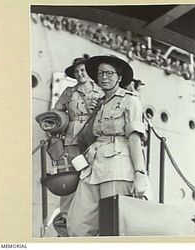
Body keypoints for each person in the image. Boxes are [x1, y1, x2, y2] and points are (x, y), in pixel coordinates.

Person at [66, 55, 148, 236]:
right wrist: (91, 112)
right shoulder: (99, 103)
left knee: (114, 226)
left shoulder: (130, 100)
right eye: (101, 73)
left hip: (118, 167)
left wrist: (140, 174)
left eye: (109, 73)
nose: (104, 76)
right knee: (77, 225)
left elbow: (135, 138)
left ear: (119, 77)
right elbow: (87, 137)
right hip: (92, 165)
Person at [51, 56, 104, 236]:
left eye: (83, 70)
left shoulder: (101, 91)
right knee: (70, 177)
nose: (80, 73)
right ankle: (65, 218)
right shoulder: (69, 92)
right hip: (73, 138)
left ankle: (90, 222)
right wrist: (59, 126)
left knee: (91, 178)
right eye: (77, 71)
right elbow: (57, 111)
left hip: (93, 138)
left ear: (89, 72)